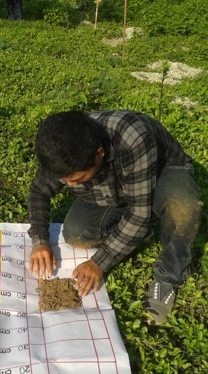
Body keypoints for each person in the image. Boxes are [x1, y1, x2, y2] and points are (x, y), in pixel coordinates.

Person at [28, 110, 202, 325]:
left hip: (161, 170)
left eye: (77, 179)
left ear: (99, 153)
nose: (70, 185)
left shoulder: (132, 136)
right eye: (64, 180)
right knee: (77, 234)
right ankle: (139, 234)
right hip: (115, 188)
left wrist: (99, 262)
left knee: (183, 208)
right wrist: (39, 240)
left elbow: (138, 215)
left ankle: (168, 276)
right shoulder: (60, 149)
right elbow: (39, 192)